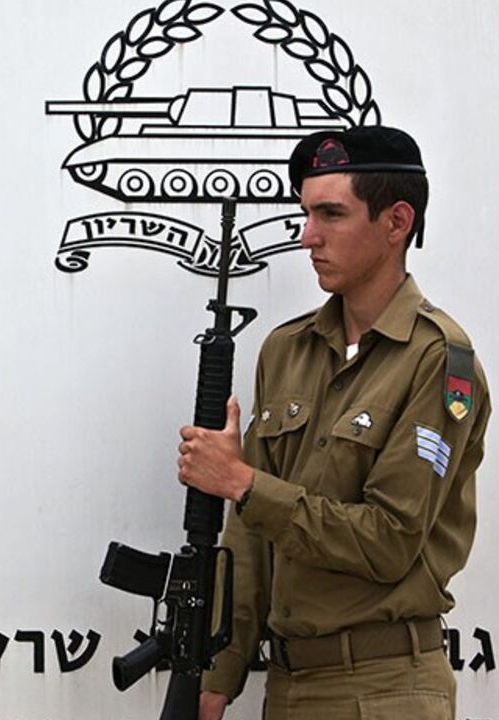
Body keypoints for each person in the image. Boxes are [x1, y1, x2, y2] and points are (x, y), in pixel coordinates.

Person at [175, 125, 491, 720]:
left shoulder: (439, 362)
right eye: (305, 213)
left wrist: (242, 482)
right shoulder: (286, 350)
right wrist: (220, 673)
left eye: (331, 214)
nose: (307, 235)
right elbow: (251, 535)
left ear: (396, 222)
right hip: (290, 686)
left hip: (387, 689)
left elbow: (389, 541)